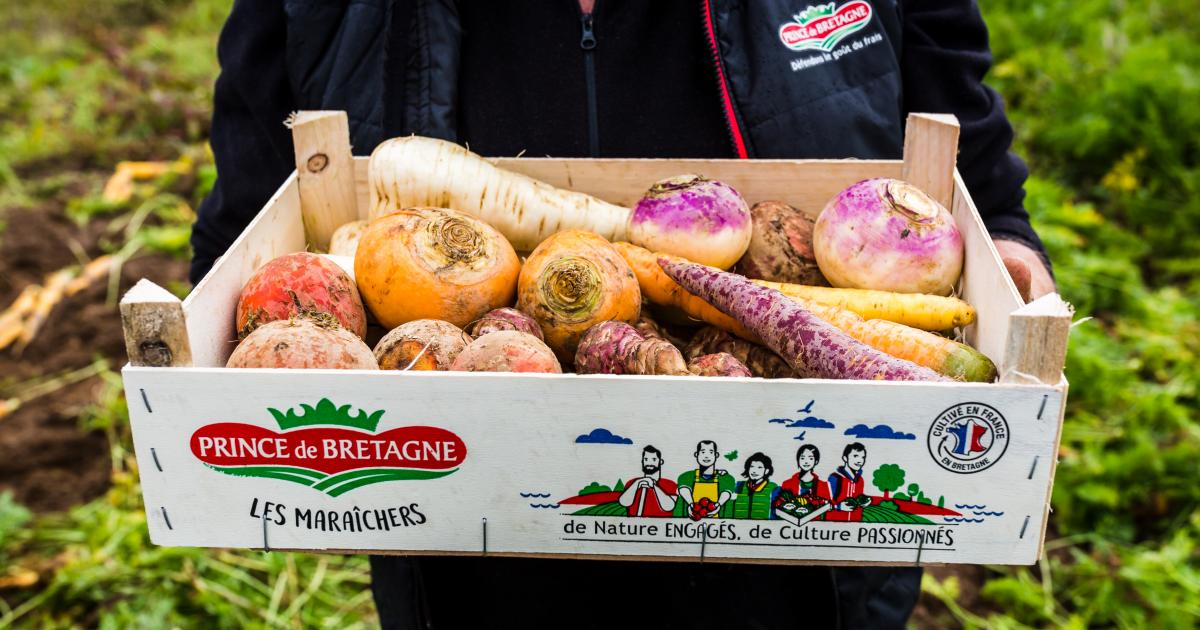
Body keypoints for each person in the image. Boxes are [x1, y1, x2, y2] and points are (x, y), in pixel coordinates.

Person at [192, 1, 1052, 626]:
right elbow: (265, 107)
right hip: (466, 509)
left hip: (805, 514)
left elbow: (939, 37)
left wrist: (1000, 221)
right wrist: (231, 303)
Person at [674, 440, 736, 519]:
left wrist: (718, 505)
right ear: (697, 455)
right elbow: (684, 489)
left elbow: (726, 492)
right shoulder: (686, 476)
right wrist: (691, 505)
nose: (706, 456)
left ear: (716, 455)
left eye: (710, 452)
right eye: (703, 452)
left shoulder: (725, 478)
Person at [617, 445, 677, 517]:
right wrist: (636, 484)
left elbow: (669, 507)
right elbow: (624, 503)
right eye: (646, 459)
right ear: (642, 461)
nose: (649, 463)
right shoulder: (632, 483)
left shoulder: (670, 484)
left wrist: (654, 486)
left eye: (654, 459)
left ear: (661, 461)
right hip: (634, 526)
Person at [731, 452, 781, 520]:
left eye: (759, 467)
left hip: (763, 529)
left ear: (766, 471)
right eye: (752, 467)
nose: (754, 471)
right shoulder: (739, 485)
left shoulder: (773, 488)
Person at [827, 443, 869, 523]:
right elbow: (825, 503)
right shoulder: (835, 478)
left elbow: (858, 499)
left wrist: (865, 502)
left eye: (863, 457)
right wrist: (838, 507)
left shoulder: (860, 480)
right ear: (845, 458)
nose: (860, 460)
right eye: (855, 456)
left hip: (854, 526)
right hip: (834, 526)